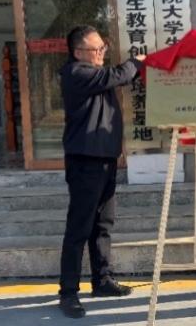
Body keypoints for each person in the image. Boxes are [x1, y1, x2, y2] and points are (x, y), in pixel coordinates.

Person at [58, 25, 146, 319]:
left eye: (102, 48)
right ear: (78, 52)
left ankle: (102, 279)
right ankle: (68, 293)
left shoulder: (94, 74)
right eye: (96, 49)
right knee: (79, 228)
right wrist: (136, 63)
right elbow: (116, 75)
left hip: (106, 160)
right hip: (85, 162)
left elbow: (117, 77)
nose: (101, 53)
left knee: (103, 224)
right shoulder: (75, 73)